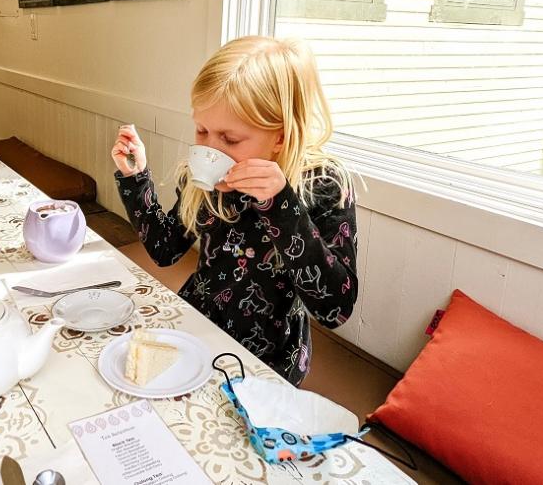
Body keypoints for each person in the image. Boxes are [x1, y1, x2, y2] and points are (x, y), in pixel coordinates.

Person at [112, 36, 358, 386]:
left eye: (229, 139)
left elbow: (336, 308)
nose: (210, 149)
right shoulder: (203, 176)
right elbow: (165, 250)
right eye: (201, 130)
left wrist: (280, 202)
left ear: (280, 137)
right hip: (196, 330)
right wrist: (136, 179)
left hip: (271, 360)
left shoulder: (323, 184)